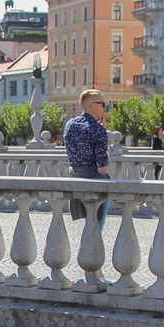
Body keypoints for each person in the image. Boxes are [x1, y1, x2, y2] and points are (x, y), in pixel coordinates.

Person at [64, 89, 110, 242]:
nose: (105, 109)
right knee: (96, 228)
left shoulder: (70, 125)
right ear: (93, 107)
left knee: (89, 224)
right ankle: (91, 264)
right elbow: (103, 167)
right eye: (103, 105)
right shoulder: (98, 130)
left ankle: (91, 265)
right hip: (96, 182)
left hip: (76, 180)